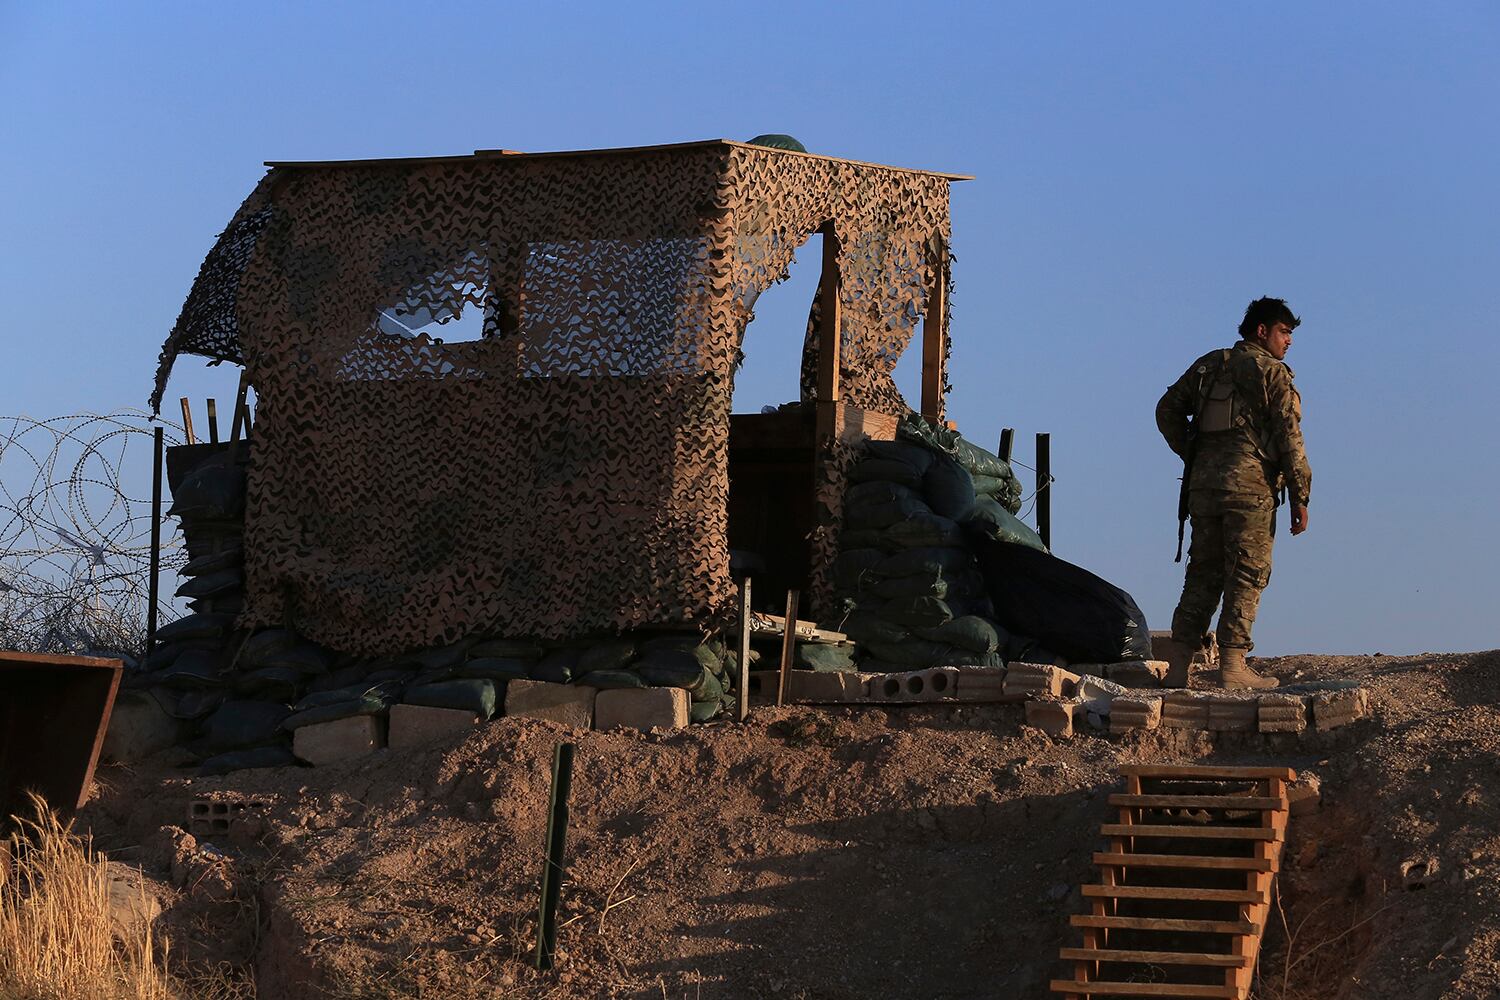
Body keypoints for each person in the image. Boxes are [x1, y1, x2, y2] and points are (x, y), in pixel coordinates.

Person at [1155, 297, 1312, 688]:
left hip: (1204, 489)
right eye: (1284, 332)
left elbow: (1167, 410)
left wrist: (1195, 454)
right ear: (1262, 331)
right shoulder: (1273, 374)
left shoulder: (1211, 365)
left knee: (1202, 573)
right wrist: (1300, 495)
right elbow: (1289, 438)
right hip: (1250, 490)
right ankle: (1233, 666)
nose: (1288, 341)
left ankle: (1177, 668)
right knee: (1246, 572)